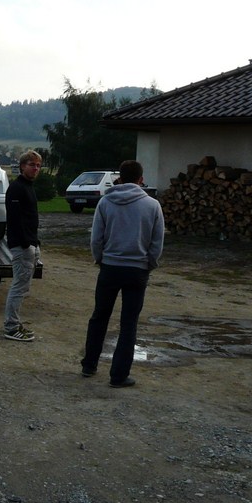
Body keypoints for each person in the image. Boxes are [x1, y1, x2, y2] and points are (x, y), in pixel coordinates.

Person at [80, 160, 164, 386]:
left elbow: (96, 238)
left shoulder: (106, 202)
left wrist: (100, 259)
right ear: (141, 179)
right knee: (129, 322)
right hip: (137, 270)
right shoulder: (152, 205)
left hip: (110, 267)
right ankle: (118, 375)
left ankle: (89, 364)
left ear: (120, 177)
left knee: (100, 316)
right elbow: (157, 242)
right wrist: (150, 264)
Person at [3, 150, 43, 341]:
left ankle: (15, 323)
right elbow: (15, 219)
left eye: (38, 165)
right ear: (22, 166)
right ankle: (11, 327)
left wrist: (35, 242)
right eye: (32, 165)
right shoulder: (16, 188)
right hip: (22, 245)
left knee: (23, 287)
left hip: (30, 243)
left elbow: (29, 218)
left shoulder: (28, 186)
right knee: (19, 287)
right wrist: (26, 243)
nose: (35, 168)